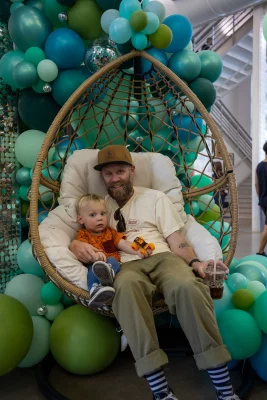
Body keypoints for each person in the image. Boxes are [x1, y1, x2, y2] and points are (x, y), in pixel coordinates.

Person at [70, 145, 240, 400]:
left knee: (188, 286)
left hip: (162, 257)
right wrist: (76, 245)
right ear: (102, 177)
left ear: (132, 171)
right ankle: (161, 391)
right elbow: (79, 235)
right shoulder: (97, 206)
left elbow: (176, 239)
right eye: (108, 174)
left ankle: (225, 391)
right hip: (126, 266)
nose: (114, 178)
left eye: (120, 171)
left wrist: (195, 263)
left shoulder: (154, 198)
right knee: (124, 291)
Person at [75, 193, 153, 307]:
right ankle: (95, 291)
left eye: (103, 213)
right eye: (92, 215)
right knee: (92, 270)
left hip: (112, 266)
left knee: (112, 261)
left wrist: (137, 251)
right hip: (94, 264)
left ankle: (108, 275)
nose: (99, 218)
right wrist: (95, 256)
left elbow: (123, 243)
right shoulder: (82, 235)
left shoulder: (110, 232)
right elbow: (84, 251)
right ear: (81, 219)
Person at [255, 141, 267, 257]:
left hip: (263, 200)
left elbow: (256, 184)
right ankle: (260, 251)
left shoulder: (259, 166)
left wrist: (260, 197)